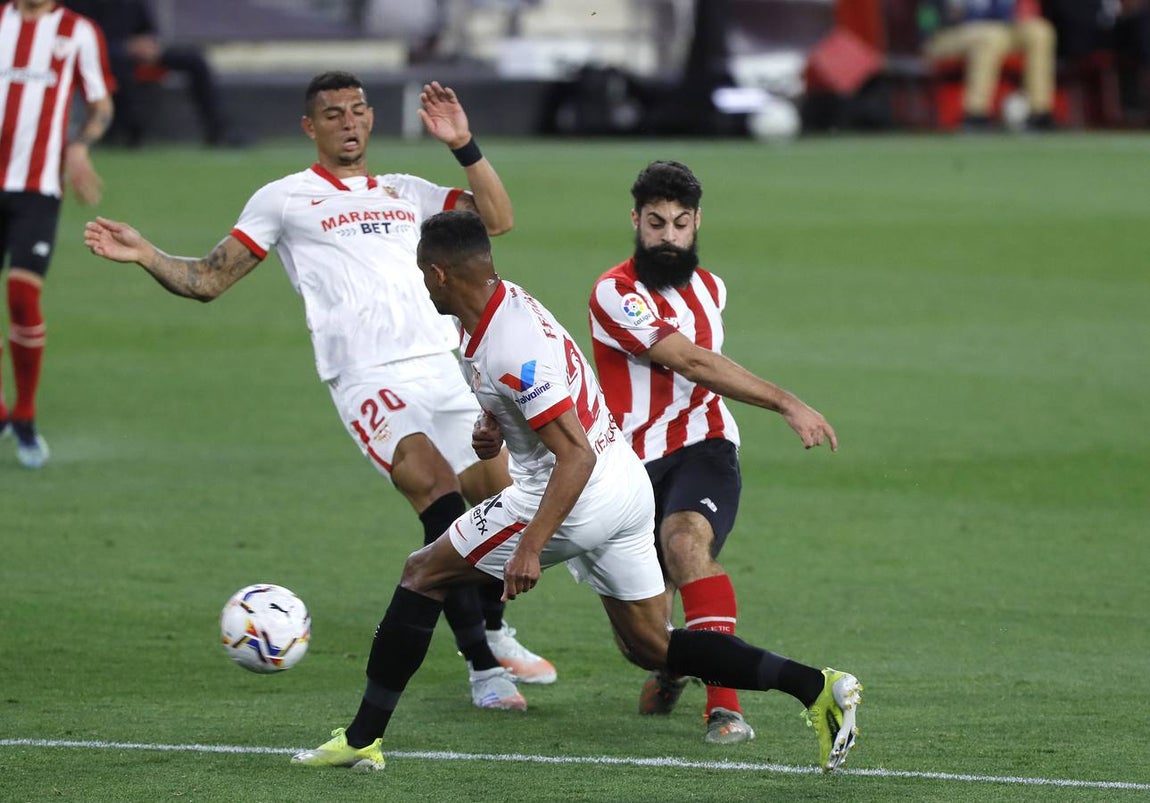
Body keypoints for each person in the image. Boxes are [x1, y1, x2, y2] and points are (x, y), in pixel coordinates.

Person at [288, 210, 862, 773]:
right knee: (649, 646)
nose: (421, 284)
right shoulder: (493, 308)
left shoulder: (513, 347)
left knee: (422, 574)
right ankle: (817, 687)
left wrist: (533, 545)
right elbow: (525, 407)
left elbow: (573, 454)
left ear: (439, 275)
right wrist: (493, 429)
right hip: (625, 482)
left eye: (421, 274)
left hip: (573, 493)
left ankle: (362, 740)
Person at [83, 71, 555, 707]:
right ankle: (483, 670)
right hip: (366, 378)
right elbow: (208, 280)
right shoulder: (285, 199)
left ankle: (496, 633)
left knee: (498, 507)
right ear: (311, 127)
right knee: (438, 500)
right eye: (333, 114)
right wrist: (147, 254)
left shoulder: (405, 192)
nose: (350, 122)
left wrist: (463, 143)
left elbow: (497, 220)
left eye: (358, 110)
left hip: (444, 368)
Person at [587, 160, 839, 745]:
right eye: (656, 223)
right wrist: (786, 402)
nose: (668, 236)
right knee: (641, 643)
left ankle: (724, 710)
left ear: (697, 221)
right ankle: (677, 663)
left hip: (705, 444)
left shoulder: (711, 288)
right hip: (628, 467)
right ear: (636, 221)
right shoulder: (615, 293)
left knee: (685, 542)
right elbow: (691, 360)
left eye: (680, 223)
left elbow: (703, 376)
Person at [0, 0, 114, 469]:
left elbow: (101, 104)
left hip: (37, 189)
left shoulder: (77, 31)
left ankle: (24, 415)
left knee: (23, 298)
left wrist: (80, 147)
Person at [64, 0, 241, 147]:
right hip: (101, 56)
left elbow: (145, 28)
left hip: (135, 53)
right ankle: (126, 132)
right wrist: (125, 47)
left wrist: (149, 44)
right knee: (118, 63)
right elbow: (78, 38)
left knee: (195, 60)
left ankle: (218, 130)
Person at [919, 0, 1058, 130]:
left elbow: (1007, 12)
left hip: (998, 29)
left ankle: (1039, 113)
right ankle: (976, 114)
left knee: (1040, 32)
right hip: (946, 34)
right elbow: (929, 15)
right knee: (990, 38)